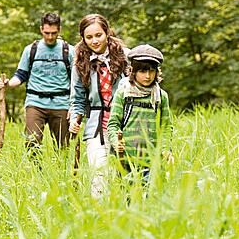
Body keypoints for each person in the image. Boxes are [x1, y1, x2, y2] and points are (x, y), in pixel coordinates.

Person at [69, 14, 130, 197]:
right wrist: (74, 118)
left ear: (107, 33)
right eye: (89, 37)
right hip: (97, 125)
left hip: (124, 123)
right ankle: (100, 220)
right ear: (83, 38)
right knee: (99, 175)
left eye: (98, 35)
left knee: (126, 175)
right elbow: (78, 98)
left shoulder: (126, 56)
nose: (94, 41)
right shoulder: (80, 62)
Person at [0, 12, 73, 152]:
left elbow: (76, 80)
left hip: (61, 103)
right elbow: (20, 75)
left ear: (59, 30)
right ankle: (36, 172)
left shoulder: (68, 51)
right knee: (32, 142)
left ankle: (61, 172)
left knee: (63, 147)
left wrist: (75, 106)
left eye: (53, 33)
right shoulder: (31, 50)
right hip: (35, 103)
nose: (50, 37)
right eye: (46, 33)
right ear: (41, 29)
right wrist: (8, 83)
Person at [107, 44, 173, 187]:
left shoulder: (161, 96)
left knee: (151, 199)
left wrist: (165, 149)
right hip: (127, 160)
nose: (148, 76)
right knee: (128, 200)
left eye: (152, 71)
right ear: (133, 71)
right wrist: (115, 141)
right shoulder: (123, 93)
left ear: (157, 72)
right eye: (143, 71)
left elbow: (166, 127)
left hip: (153, 160)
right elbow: (113, 124)